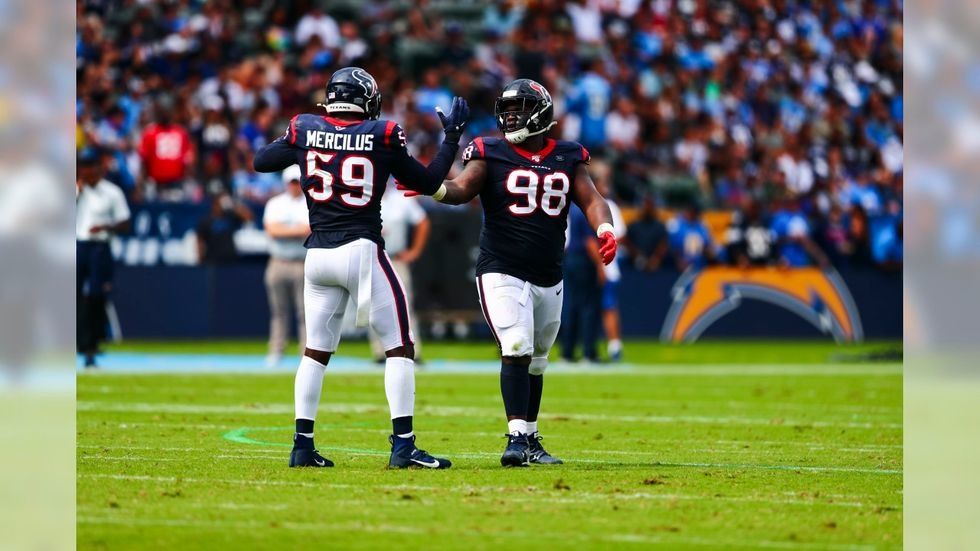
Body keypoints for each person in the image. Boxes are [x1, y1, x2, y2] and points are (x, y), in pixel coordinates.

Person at [252, 67, 469, 469]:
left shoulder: (304, 127)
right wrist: (452, 138)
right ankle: (403, 446)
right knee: (400, 346)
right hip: (361, 250)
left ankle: (303, 446)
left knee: (315, 352)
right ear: (366, 100)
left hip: (317, 255)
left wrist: (297, 139)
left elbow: (261, 161)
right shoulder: (382, 133)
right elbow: (428, 181)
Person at [399, 79, 617, 467]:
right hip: (502, 268)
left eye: (520, 109)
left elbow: (593, 200)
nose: (511, 117)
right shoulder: (490, 150)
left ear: (542, 112)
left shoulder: (568, 155)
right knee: (516, 345)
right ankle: (516, 438)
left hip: (549, 272)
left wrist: (605, 229)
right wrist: (433, 188)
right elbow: (462, 189)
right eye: (508, 110)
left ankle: (530, 438)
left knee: (538, 359)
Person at [76, 148, 131, 367]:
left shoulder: (112, 192)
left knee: (97, 295)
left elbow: (125, 223)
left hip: (100, 247)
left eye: (90, 166)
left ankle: (92, 342)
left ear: (99, 168)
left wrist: (106, 227)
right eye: (83, 167)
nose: (87, 171)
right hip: (77, 244)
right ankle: (78, 341)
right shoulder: (75, 190)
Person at [370, 185, 431, 362]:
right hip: (371, 259)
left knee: (404, 304)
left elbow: (423, 222)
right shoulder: (363, 195)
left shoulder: (401, 199)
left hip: (396, 259)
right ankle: (380, 353)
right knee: (374, 307)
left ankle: (412, 350)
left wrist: (415, 251)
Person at [262, 165, 310, 367]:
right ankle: (276, 350)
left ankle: (307, 353)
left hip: (302, 262)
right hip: (278, 261)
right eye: (292, 182)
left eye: (297, 182)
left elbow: (309, 229)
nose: (295, 186)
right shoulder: (275, 203)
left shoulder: (310, 202)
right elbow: (272, 230)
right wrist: (296, 230)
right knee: (278, 310)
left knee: (305, 312)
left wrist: (285, 230)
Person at [196, 193, 253, 265]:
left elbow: (249, 217)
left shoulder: (230, 217)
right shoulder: (206, 221)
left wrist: (233, 205)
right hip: (212, 261)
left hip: (230, 260)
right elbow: (200, 241)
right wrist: (200, 259)